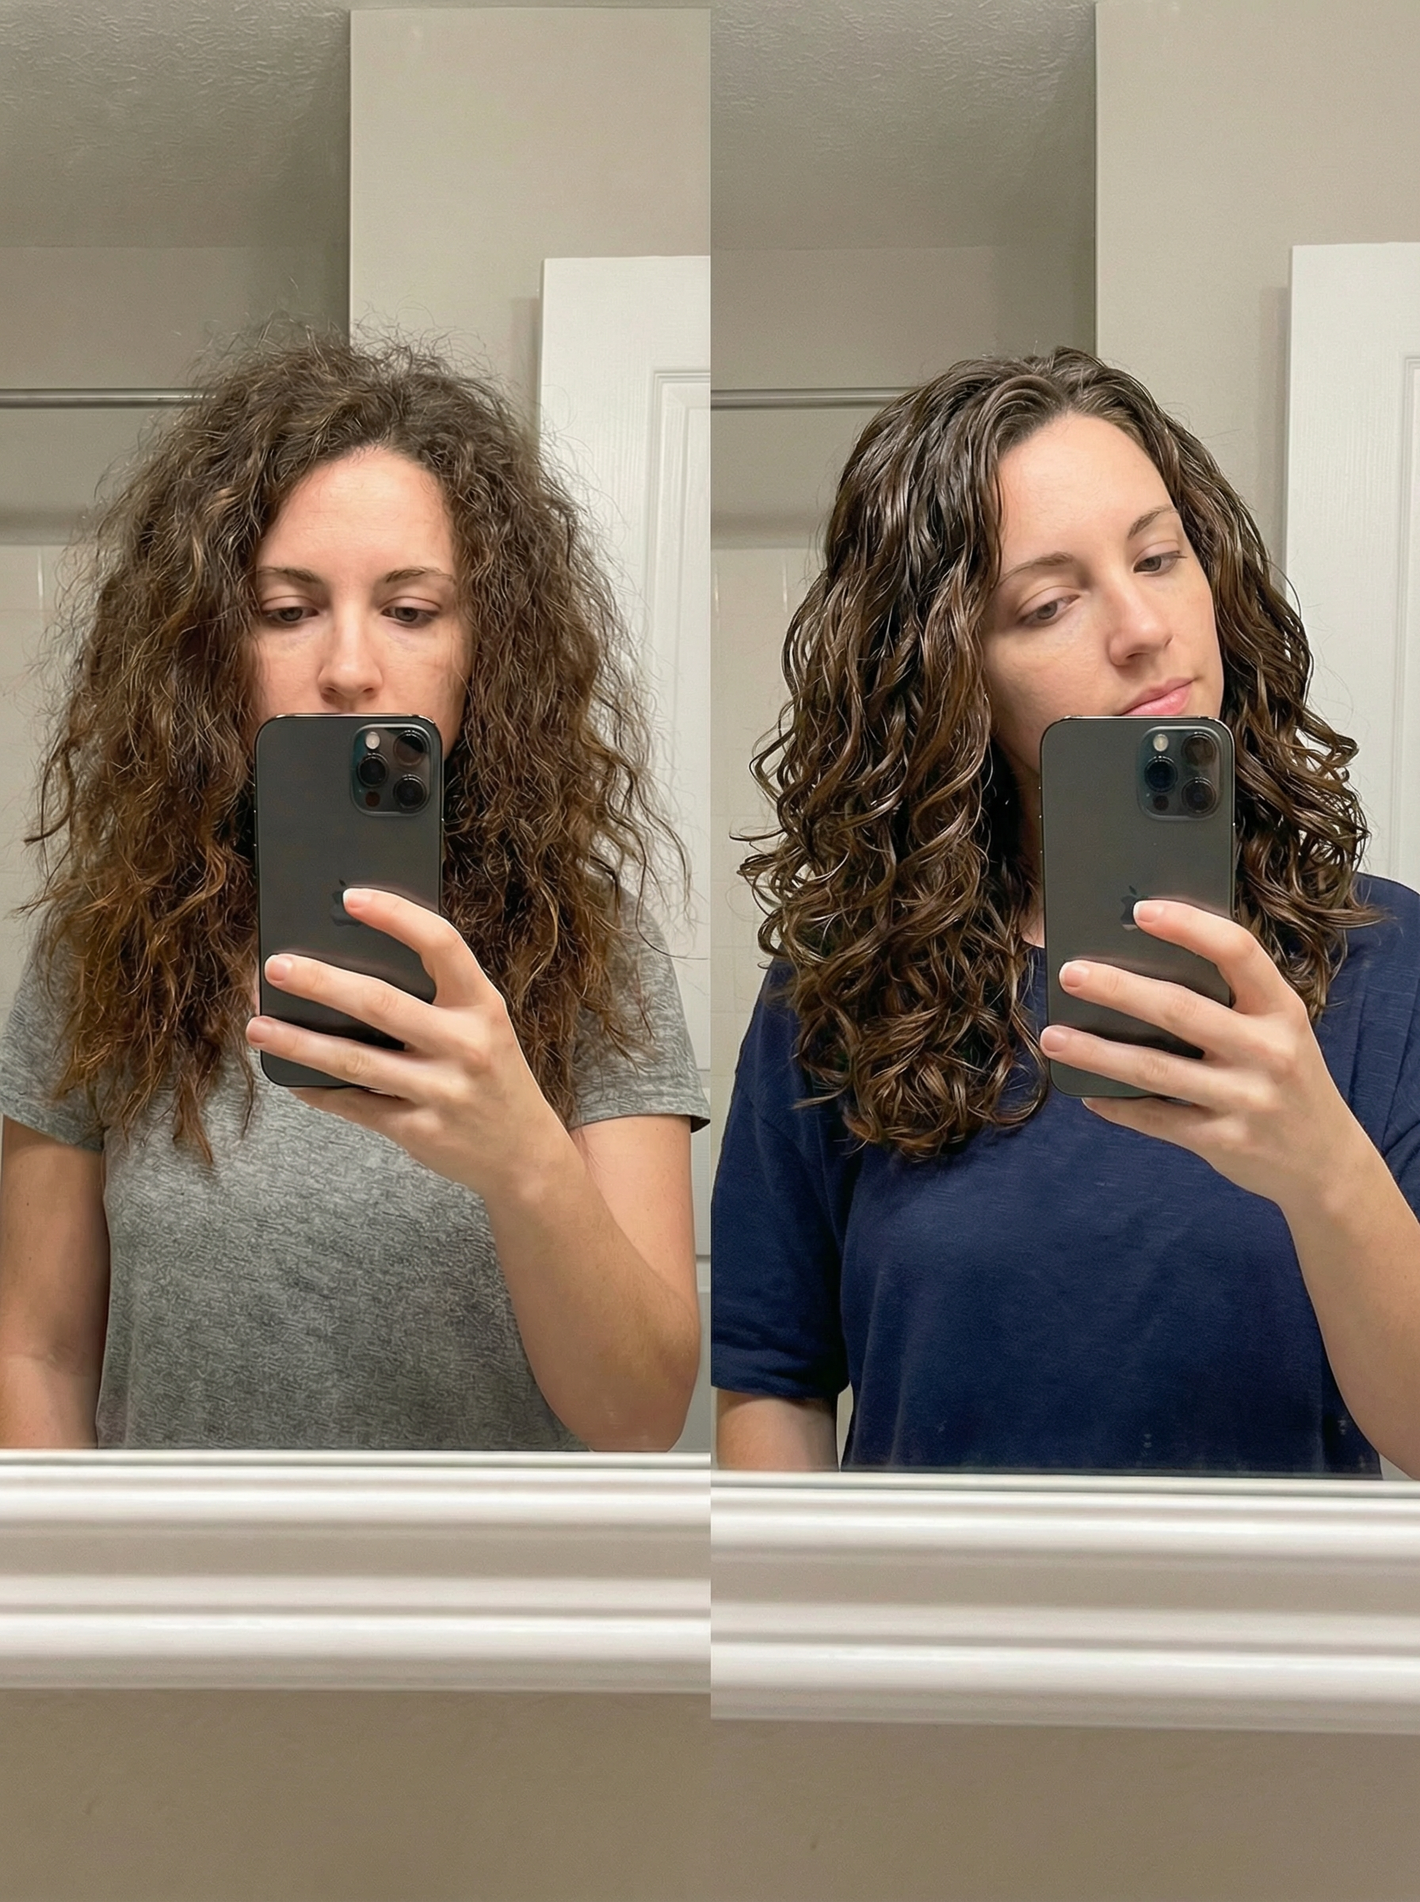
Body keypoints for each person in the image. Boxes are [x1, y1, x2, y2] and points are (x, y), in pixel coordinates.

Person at [712, 346, 1420, 1477]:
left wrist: (1320, 1166)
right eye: (1045, 604)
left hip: (1270, 1651)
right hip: (919, 1647)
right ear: (949, 673)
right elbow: (773, 1383)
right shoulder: (837, 987)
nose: (1141, 627)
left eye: (1158, 555)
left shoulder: (1393, 965)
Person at [0, 331, 708, 1452]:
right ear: (207, 647)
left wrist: (519, 1155)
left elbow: (641, 1416)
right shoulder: (102, 949)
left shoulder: (591, 945)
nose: (347, 666)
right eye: (286, 610)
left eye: (411, 610)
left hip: (492, 1615)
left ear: (488, 649)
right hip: (179, 1613)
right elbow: (36, 1351)